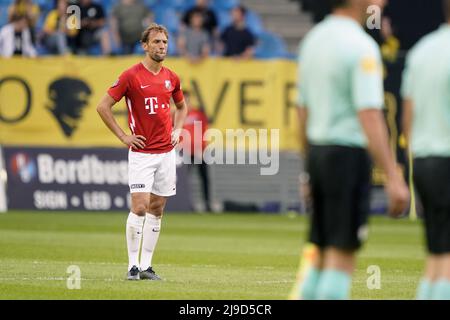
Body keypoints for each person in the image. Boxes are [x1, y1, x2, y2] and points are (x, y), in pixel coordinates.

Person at [296, 0, 409, 299]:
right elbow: (370, 115)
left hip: (319, 153)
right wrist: (393, 177)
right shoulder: (361, 46)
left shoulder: (314, 39)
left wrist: (307, 170)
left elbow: (301, 111)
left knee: (319, 254)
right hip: (346, 157)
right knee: (341, 256)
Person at [96, 23, 188, 281]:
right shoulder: (130, 76)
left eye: (164, 42)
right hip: (142, 153)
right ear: (145, 46)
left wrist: (178, 130)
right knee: (139, 207)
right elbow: (103, 107)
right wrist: (124, 136)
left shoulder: (172, 77)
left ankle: (147, 266)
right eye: (156, 42)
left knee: (157, 209)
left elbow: (182, 107)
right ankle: (132, 266)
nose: (161, 47)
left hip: (166, 153)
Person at [401, 0, 450, 300]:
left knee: (436, 253)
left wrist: (417, 151)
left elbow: (407, 114)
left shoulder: (422, 50)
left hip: (424, 160)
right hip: (447, 159)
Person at [179, 90, 211, 212]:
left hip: (198, 151)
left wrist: (203, 147)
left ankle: (207, 203)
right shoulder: (177, 115)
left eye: (186, 99)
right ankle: (185, 203)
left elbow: (204, 130)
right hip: (184, 152)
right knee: (184, 179)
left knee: (204, 178)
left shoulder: (197, 113)